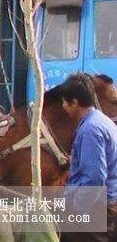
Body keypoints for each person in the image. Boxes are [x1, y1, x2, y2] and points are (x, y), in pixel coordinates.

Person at [59, 73, 117, 242]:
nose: (63, 106)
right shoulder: (102, 121)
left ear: (75, 102)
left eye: (64, 101)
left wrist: (76, 212)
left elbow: (95, 179)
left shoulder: (90, 130)